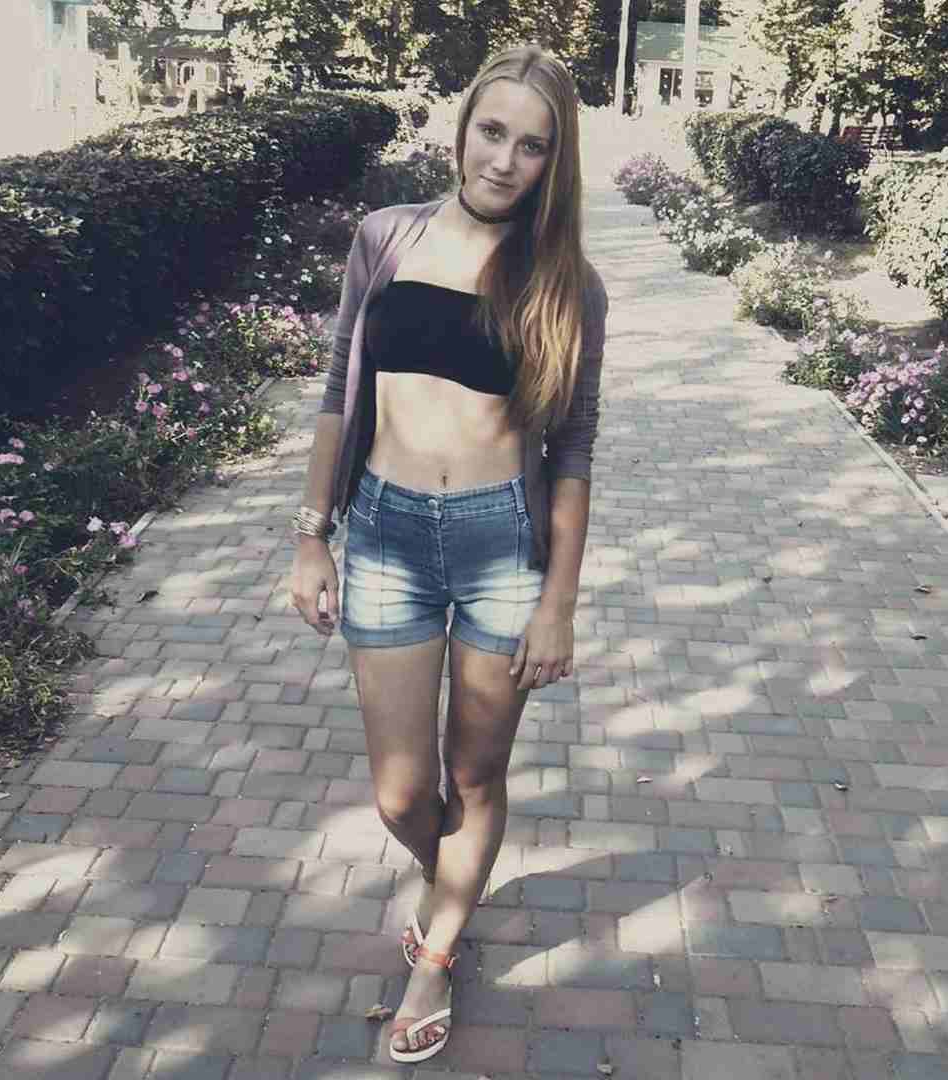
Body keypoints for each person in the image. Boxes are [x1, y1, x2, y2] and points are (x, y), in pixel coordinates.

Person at [289, 42, 608, 1064]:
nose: (504, 160)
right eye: (492, 131)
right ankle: (450, 875)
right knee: (400, 794)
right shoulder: (386, 236)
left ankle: (438, 951)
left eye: (532, 145)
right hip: (384, 534)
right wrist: (312, 534)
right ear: (462, 126)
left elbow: (572, 451)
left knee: (474, 776)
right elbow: (339, 392)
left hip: (499, 544)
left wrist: (559, 601)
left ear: (554, 162)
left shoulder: (567, 283)